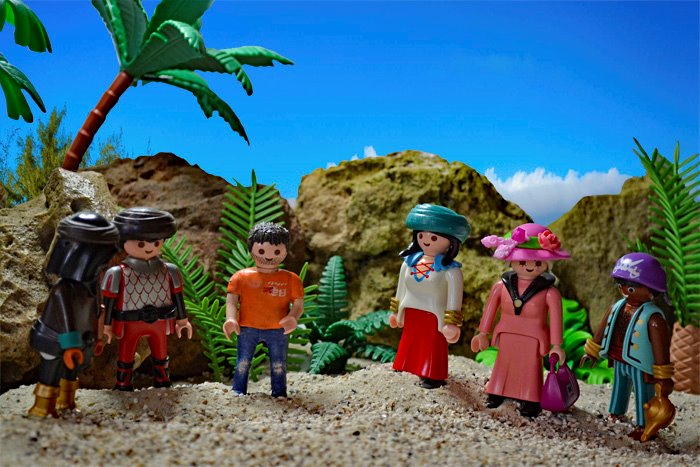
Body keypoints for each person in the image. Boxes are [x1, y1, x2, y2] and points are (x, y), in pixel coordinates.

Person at [472, 223, 569, 417]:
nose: (530, 266)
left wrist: (557, 345)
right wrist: (482, 333)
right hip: (507, 333)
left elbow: (556, 320)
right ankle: (497, 391)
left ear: (547, 264)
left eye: (538, 262)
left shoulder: (550, 293)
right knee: (503, 364)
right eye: (523, 261)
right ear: (511, 261)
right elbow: (490, 310)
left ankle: (530, 398)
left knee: (530, 368)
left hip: (533, 337)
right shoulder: (501, 286)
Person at [28, 212, 119, 417]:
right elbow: (66, 320)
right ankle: (42, 406)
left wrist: (97, 337)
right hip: (55, 339)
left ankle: (66, 401)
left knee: (71, 372)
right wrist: (70, 345)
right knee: (51, 371)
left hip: (81, 339)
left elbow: (97, 310)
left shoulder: (93, 285)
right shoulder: (63, 289)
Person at [581, 252, 674, 441]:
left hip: (640, 364)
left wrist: (663, 375)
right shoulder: (616, 307)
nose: (624, 289)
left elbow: (660, 348)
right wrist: (592, 352)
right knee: (619, 388)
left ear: (651, 290)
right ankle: (615, 413)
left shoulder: (653, 318)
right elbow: (602, 330)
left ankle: (644, 424)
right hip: (618, 358)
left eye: (630, 286)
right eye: (620, 284)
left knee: (643, 393)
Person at [101, 207, 192, 391]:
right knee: (126, 353)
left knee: (160, 353)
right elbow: (109, 300)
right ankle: (123, 383)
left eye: (156, 242)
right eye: (141, 244)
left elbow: (177, 296)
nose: (149, 248)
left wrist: (182, 320)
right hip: (130, 321)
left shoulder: (169, 271)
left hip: (159, 320)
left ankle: (162, 381)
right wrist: (107, 325)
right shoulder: (117, 273)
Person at [389, 204, 470, 389]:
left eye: (433, 237)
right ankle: (407, 365)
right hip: (411, 311)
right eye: (421, 235)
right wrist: (395, 312)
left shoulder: (451, 270)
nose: (426, 240)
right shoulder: (409, 263)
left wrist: (452, 323)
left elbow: (454, 299)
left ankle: (432, 375)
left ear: (451, 242)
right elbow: (400, 289)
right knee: (410, 340)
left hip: (434, 316)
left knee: (432, 345)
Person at [223, 222, 304, 397]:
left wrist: (293, 317)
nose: (268, 257)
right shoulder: (240, 277)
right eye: (261, 251)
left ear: (285, 251)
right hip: (247, 327)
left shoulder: (291, 279)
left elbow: (298, 305)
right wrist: (230, 319)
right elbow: (231, 302)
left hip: (278, 329)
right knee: (243, 362)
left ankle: (279, 392)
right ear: (251, 250)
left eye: (276, 252)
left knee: (279, 364)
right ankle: (238, 390)